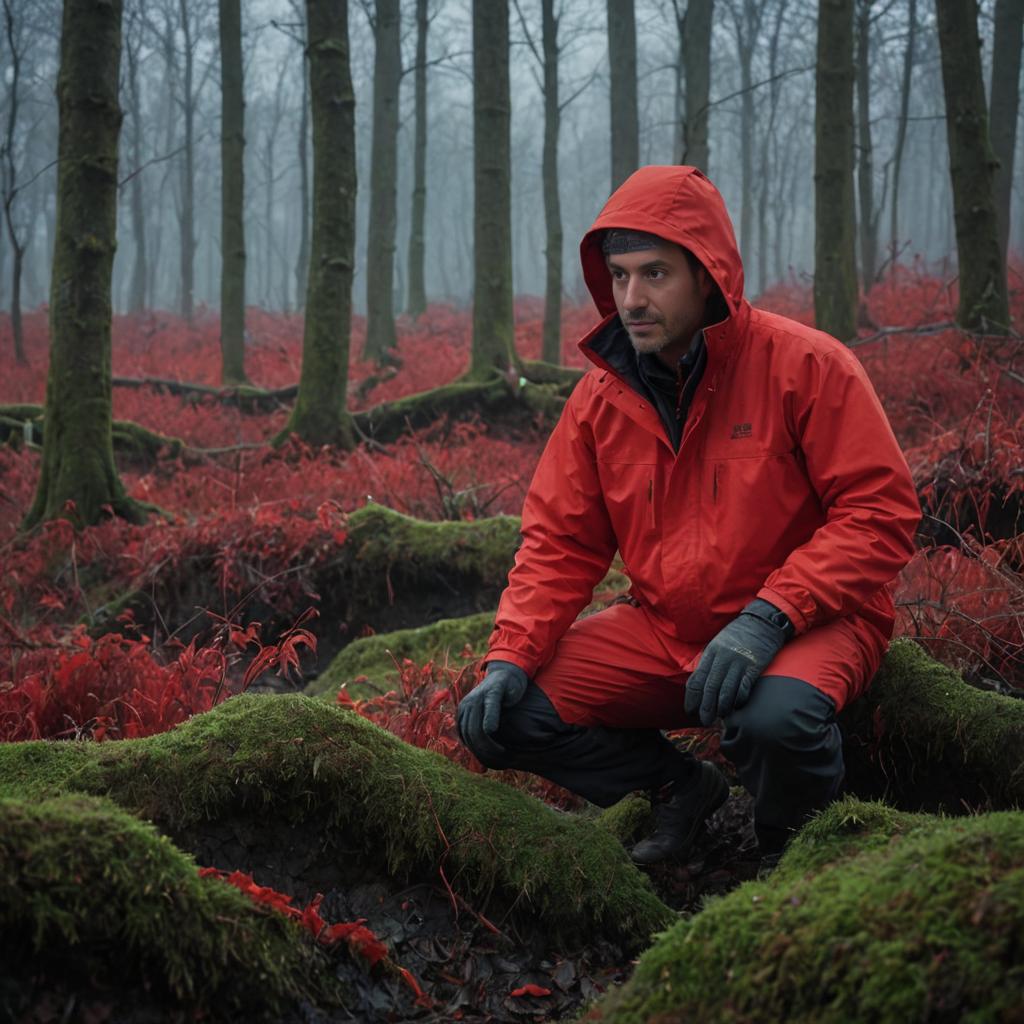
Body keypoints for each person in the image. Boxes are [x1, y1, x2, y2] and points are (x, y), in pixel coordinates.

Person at [456, 165, 921, 866]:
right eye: (619, 276)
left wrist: (770, 617)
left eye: (655, 274)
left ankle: (796, 862)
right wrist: (509, 655)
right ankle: (682, 791)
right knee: (503, 717)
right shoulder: (598, 401)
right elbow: (559, 543)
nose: (631, 299)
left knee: (772, 720)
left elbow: (879, 514)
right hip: (669, 632)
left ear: (706, 275)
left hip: (812, 622)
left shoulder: (808, 367)